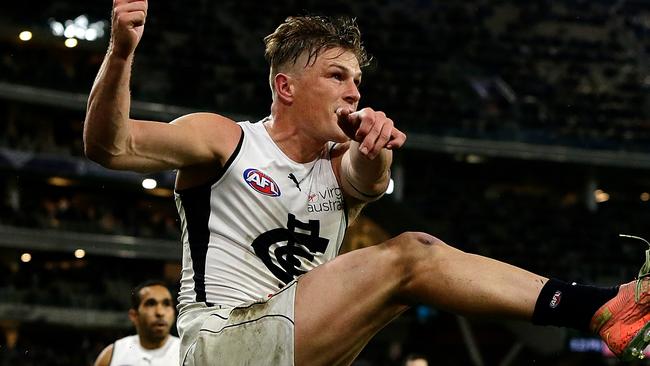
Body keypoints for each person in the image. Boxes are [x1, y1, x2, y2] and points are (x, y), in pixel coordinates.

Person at [83, 1, 650, 364]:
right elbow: (109, 147)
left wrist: (373, 152)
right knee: (410, 256)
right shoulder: (225, 140)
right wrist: (121, 52)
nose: (354, 91)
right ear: (285, 87)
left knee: (408, 268)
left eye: (357, 79)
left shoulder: (339, 164)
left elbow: (364, 177)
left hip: (301, 342)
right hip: (225, 344)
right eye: (336, 76)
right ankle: (601, 306)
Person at [94, 280, 180, 366]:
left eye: (167, 304)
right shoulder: (111, 355)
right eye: (151, 304)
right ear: (134, 315)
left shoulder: (187, 353)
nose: (160, 312)